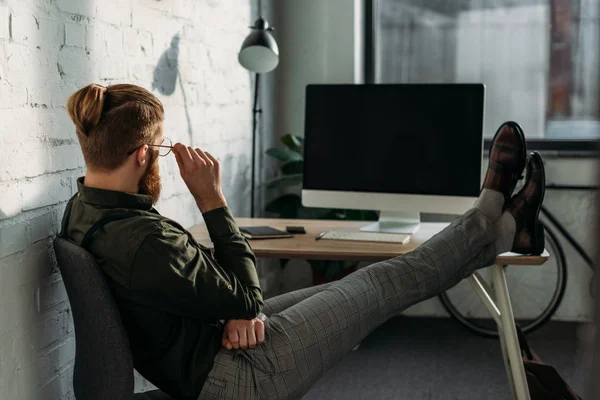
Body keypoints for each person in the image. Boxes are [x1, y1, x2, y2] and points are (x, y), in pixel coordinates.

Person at [61, 83, 546, 400]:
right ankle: (494, 223)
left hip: (210, 350)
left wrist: (234, 309)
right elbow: (248, 295)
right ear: (144, 154)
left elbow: (187, 289)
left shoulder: (84, 210)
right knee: (388, 280)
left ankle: (503, 228)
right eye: (163, 150)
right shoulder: (143, 238)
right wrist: (212, 200)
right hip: (238, 380)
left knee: (364, 283)